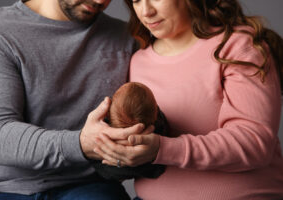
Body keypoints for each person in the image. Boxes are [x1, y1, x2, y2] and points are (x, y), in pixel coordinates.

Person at [93, 0, 283, 199]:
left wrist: (162, 148)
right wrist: (117, 152)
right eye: (136, 1)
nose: (146, 11)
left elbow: (253, 143)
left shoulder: (237, 46)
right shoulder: (137, 61)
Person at [0, 0, 150, 199]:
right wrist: (80, 144)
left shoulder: (126, 37)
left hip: (89, 185)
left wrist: (140, 143)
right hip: (9, 188)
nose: (100, 1)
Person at [91, 82, 167, 181]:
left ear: (108, 112)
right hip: (149, 169)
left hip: (111, 170)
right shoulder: (158, 125)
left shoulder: (105, 128)